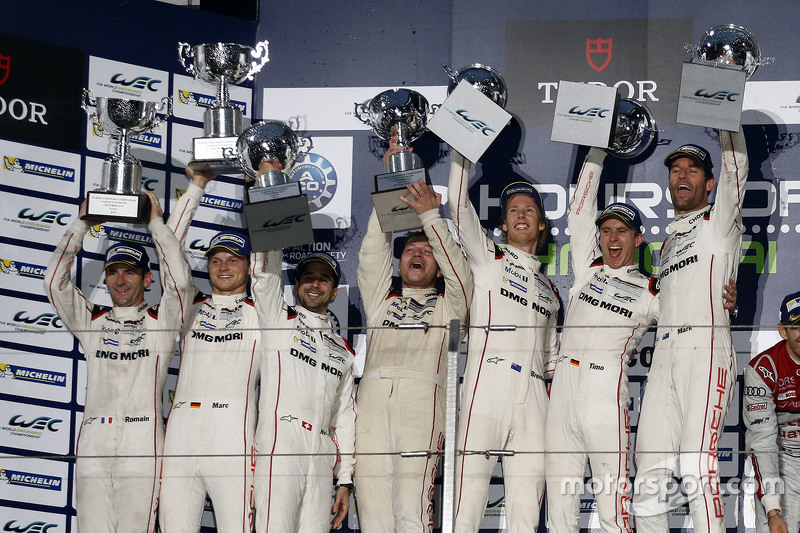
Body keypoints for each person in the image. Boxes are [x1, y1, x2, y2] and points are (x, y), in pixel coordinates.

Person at [544, 148, 739, 533]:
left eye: (622, 231)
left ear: (637, 239)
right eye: (607, 230)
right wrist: (597, 147)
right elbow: (578, 213)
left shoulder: (651, 290)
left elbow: (692, 301)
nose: (612, 238)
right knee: (605, 493)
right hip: (566, 389)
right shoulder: (589, 270)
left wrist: (728, 300)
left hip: (612, 389)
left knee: (673, 478)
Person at [44, 193, 193, 533]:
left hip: (142, 444)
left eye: (130, 272)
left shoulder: (162, 322)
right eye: (113, 273)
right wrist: (81, 224)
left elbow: (182, 282)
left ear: (147, 278)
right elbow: (54, 283)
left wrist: (155, 222)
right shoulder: (92, 321)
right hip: (94, 444)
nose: (120, 280)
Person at [633, 129, 749, 532]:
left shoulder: (719, 222)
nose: (682, 175)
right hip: (663, 359)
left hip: (706, 349)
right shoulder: (666, 243)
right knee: (648, 473)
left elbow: (737, 172)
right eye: (676, 169)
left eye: (693, 169)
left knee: (697, 465)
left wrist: (725, 118)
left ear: (709, 183)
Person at [354, 140, 472, 533]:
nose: (417, 254)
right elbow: (373, 251)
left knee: (411, 513)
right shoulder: (380, 300)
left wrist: (430, 218)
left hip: (423, 405)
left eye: (426, 250)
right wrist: (392, 184)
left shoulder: (450, 308)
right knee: (372, 516)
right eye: (410, 250)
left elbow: (461, 275)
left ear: (438, 267)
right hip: (370, 406)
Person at [448, 150, 560, 532]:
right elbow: (458, 205)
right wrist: (463, 149)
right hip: (487, 390)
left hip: (534, 398)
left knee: (526, 515)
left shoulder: (550, 290)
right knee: (465, 509)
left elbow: (553, 361)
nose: (522, 214)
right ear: (502, 226)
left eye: (530, 210)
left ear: (542, 225)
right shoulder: (488, 259)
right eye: (513, 210)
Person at [159, 168, 261, 533]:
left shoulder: (262, 311)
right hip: (183, 429)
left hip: (233, 432)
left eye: (234, 260)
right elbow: (168, 247)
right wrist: (197, 187)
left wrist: (267, 192)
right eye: (216, 260)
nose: (223, 267)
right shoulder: (190, 305)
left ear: (249, 268)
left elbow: (270, 260)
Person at [251, 197, 356, 531]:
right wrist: (275, 202)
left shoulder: (344, 349)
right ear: (294, 286)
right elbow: (264, 272)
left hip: (322, 453)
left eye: (324, 279)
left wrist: (346, 480)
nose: (315, 283)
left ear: (335, 291)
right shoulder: (277, 318)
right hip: (282, 443)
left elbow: (345, 418)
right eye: (308, 277)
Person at [743, 290, 800, 533]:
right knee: (773, 526)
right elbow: (762, 443)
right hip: (783, 459)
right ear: (782, 331)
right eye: (797, 326)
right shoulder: (764, 369)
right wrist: (773, 511)